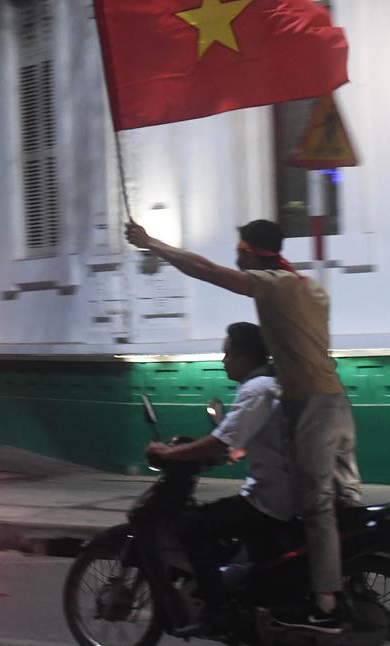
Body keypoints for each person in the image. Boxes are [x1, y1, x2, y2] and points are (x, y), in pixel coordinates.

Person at [126, 218, 360, 632]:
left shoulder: (275, 285)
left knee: (315, 507)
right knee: (342, 501)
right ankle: (327, 584)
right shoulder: (309, 288)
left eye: (239, 249)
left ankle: (326, 605)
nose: (234, 257)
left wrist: (153, 245)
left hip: (310, 404)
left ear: (250, 252)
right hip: (336, 403)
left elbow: (208, 271)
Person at [144, 322, 292, 634]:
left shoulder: (256, 390)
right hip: (287, 491)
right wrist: (229, 454)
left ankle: (217, 610)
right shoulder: (269, 385)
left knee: (192, 524)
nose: (223, 360)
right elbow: (238, 441)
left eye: (227, 354)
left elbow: (219, 441)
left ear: (244, 357)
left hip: (271, 499)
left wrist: (170, 454)